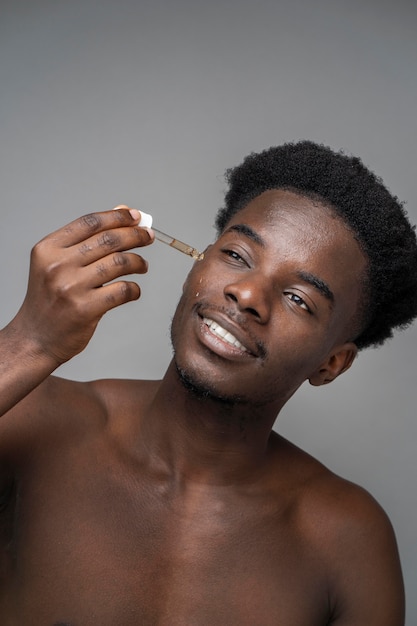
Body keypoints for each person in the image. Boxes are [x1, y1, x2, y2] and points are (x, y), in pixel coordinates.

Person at [0, 140, 416, 625]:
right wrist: (27, 343)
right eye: (237, 255)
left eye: (300, 299)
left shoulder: (345, 540)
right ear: (198, 262)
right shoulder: (34, 421)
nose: (247, 294)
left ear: (332, 364)